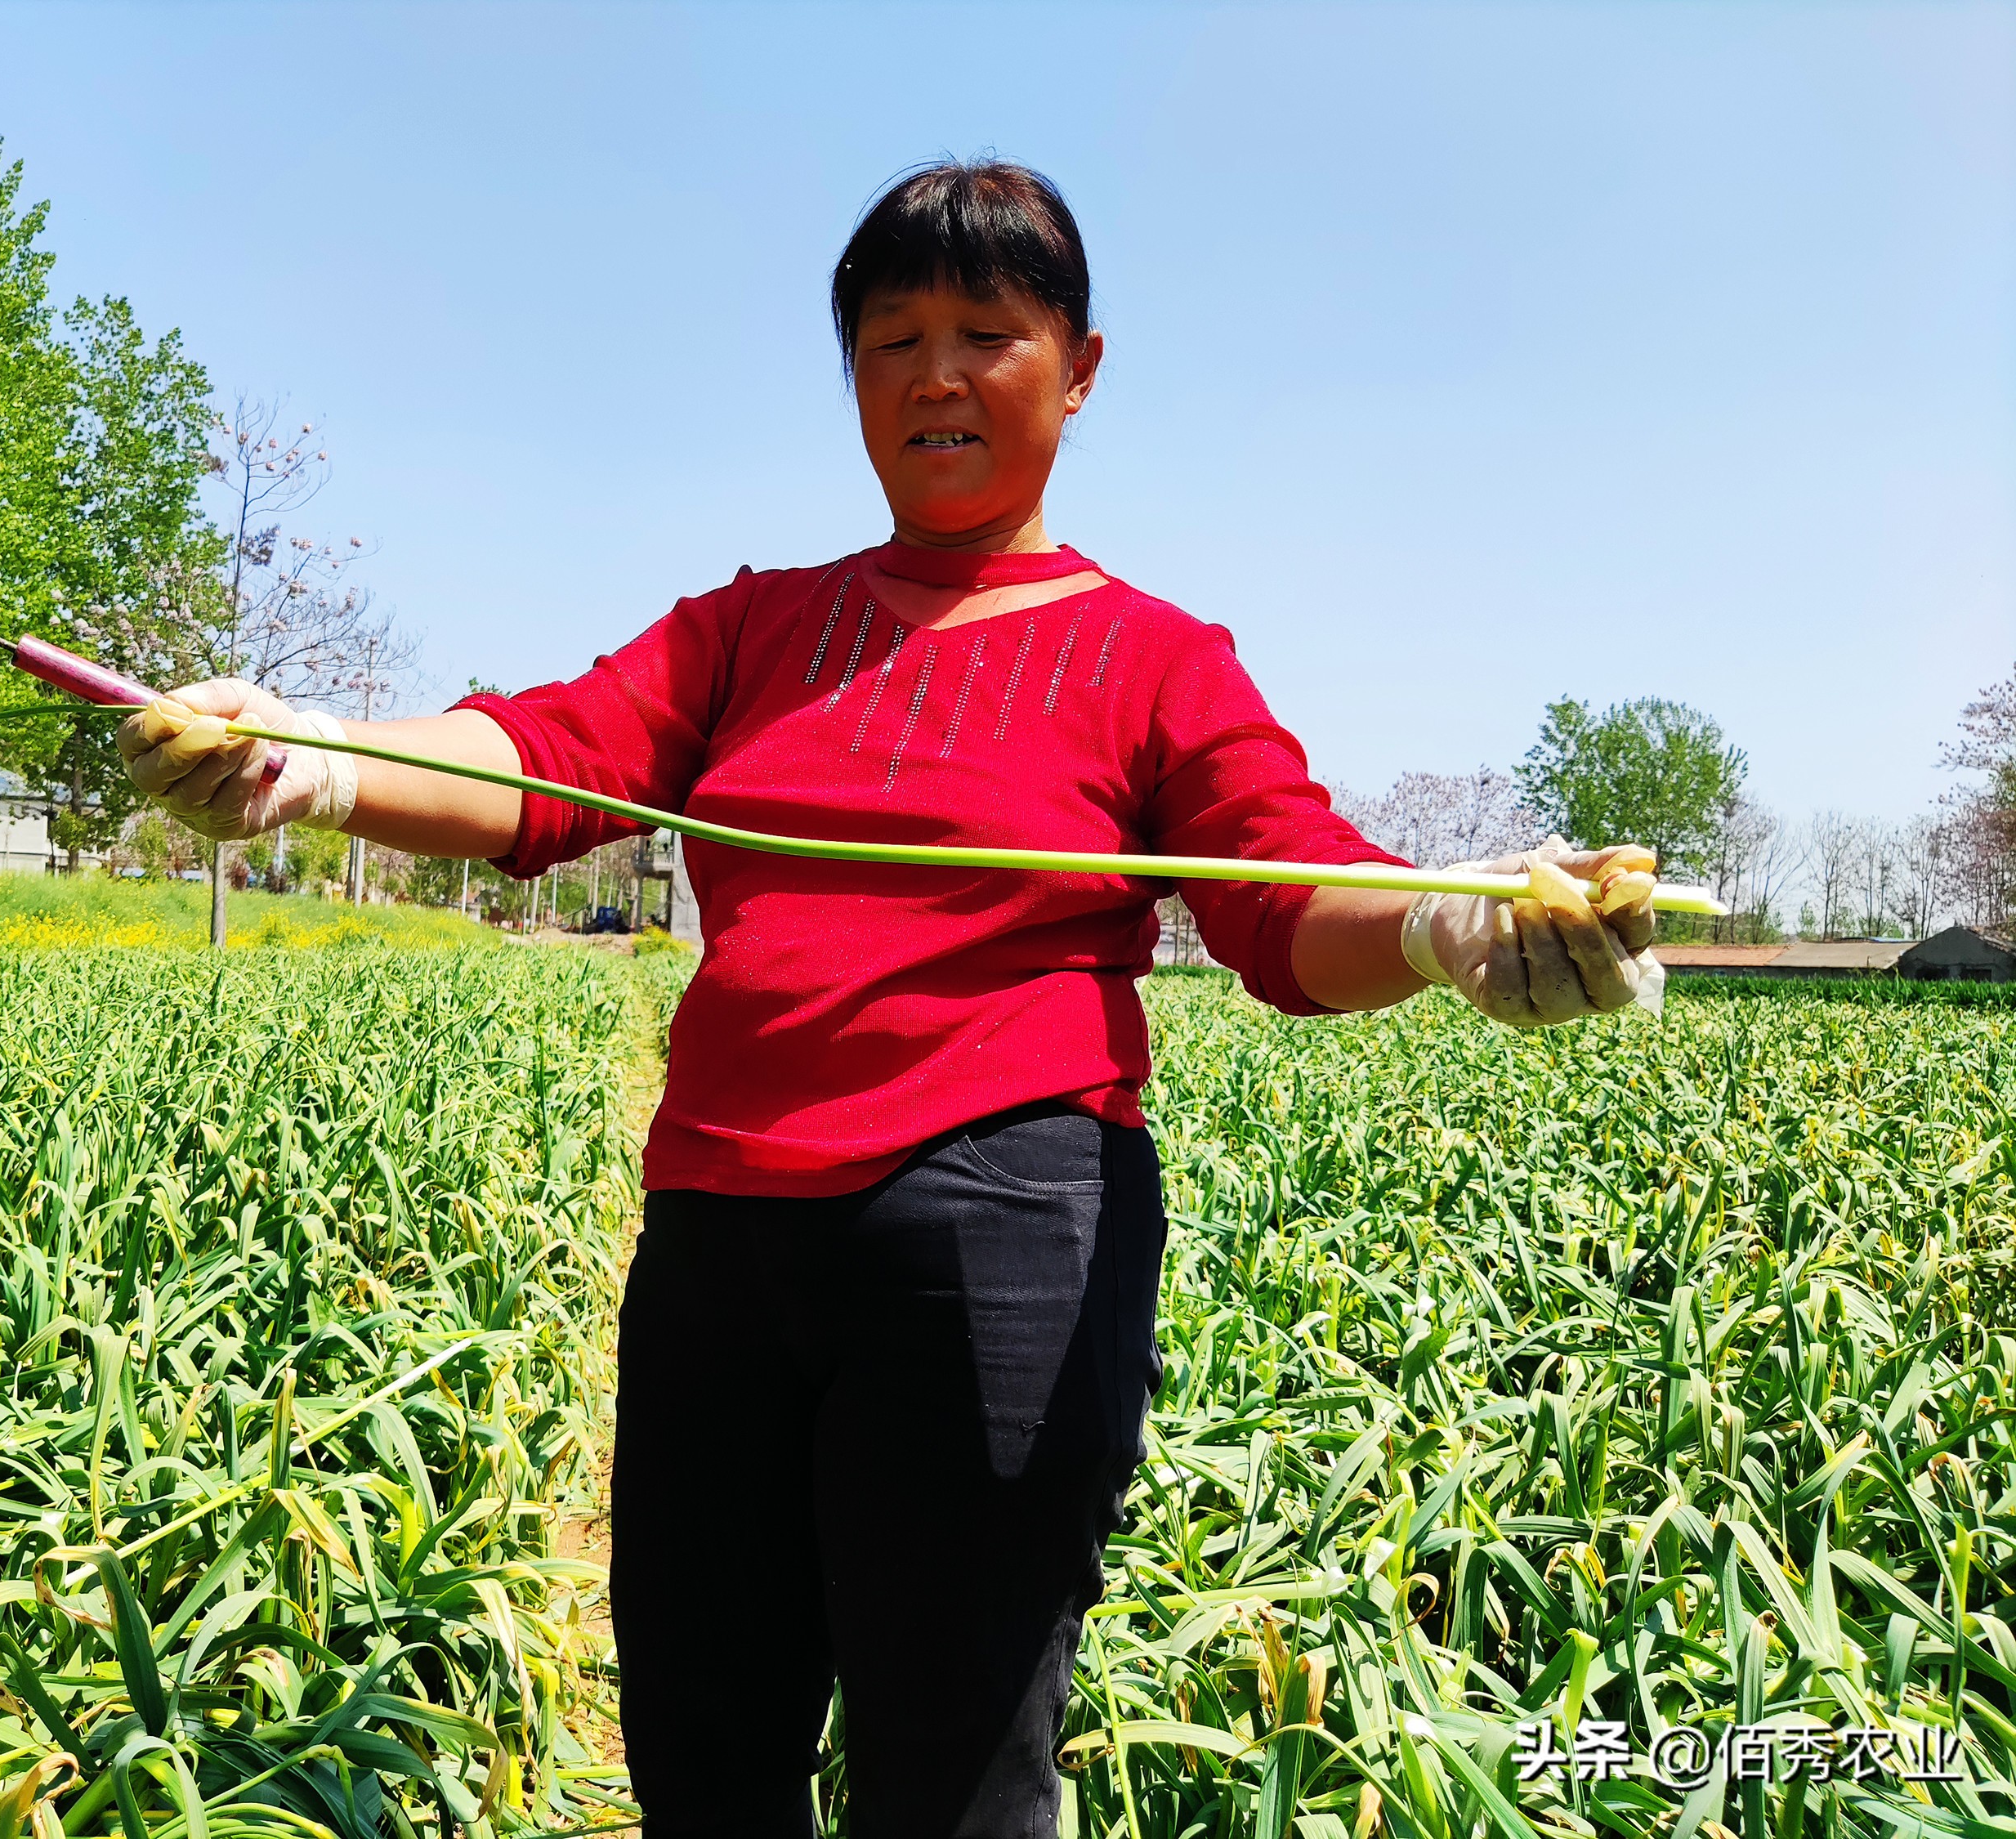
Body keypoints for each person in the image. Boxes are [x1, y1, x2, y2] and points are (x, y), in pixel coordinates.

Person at [118, 161, 1661, 1839]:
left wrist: (1456, 927)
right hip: (717, 1238)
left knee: (954, 1772)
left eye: (989, 332)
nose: (938, 372)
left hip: (998, 1234)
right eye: (893, 336)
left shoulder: (1153, 658)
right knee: (704, 1744)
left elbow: (1288, 898)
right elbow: (546, 763)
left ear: (1077, 370)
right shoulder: (754, 630)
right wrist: (306, 767)